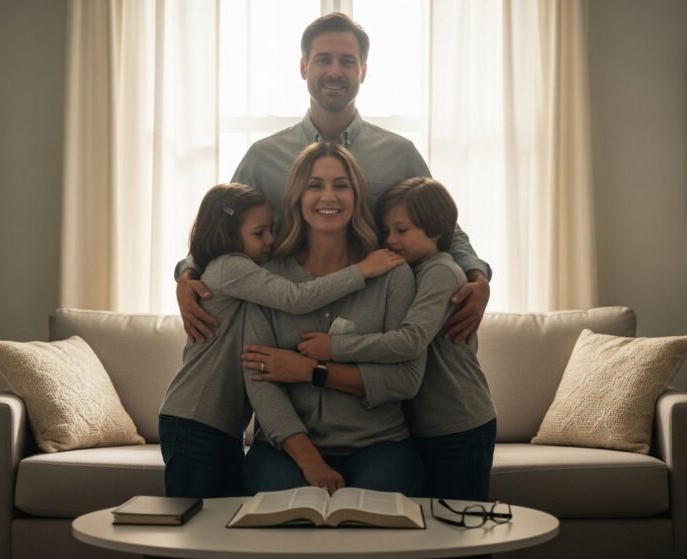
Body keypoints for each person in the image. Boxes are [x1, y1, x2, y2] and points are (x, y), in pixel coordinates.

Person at [177, 12, 491, 346]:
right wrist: (187, 275)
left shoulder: (399, 154)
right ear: (303, 68)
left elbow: (443, 226)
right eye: (323, 59)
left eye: (347, 61)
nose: (334, 72)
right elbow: (224, 226)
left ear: (363, 71)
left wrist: (478, 277)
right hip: (286, 325)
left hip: (375, 320)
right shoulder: (262, 157)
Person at [158, 182, 404, 498]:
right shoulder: (230, 267)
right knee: (187, 518)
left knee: (220, 518)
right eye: (260, 233)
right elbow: (295, 297)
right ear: (227, 233)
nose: (271, 241)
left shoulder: (246, 273)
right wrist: (362, 270)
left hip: (223, 424)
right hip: (193, 418)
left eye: (271, 230)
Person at [240, 142, 426, 496]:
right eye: (315, 185)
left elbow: (406, 379)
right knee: (280, 511)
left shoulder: (392, 274)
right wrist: (310, 461)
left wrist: (312, 371)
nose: (329, 196)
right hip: (285, 449)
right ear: (296, 195)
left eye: (341, 185)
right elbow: (259, 379)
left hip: (379, 444)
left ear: (356, 196)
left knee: (373, 518)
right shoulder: (268, 277)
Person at [296, 177, 497, 500]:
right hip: (422, 425)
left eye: (401, 231)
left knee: (462, 523)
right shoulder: (408, 271)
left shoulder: (440, 272)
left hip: (458, 422)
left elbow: (409, 341)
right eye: (386, 231)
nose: (391, 240)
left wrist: (333, 347)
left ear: (436, 230)